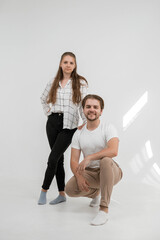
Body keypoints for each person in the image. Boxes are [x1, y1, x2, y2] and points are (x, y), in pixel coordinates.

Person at [38, 52, 88, 205]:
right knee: (58, 159)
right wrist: (49, 113)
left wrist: (84, 122)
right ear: (61, 64)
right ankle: (61, 194)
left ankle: (43, 191)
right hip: (53, 123)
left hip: (69, 126)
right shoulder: (54, 81)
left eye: (71, 63)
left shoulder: (80, 83)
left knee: (53, 158)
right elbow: (43, 98)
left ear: (75, 66)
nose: (68, 65)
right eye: (65, 62)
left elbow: (83, 104)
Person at [65, 94, 123, 226]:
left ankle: (103, 210)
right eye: (88, 107)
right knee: (70, 189)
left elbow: (114, 150)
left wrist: (90, 157)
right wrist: (79, 177)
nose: (92, 109)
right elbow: (74, 161)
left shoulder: (108, 127)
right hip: (91, 173)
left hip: (111, 171)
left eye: (95, 107)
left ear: (101, 111)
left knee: (105, 160)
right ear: (84, 110)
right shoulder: (78, 133)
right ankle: (96, 194)